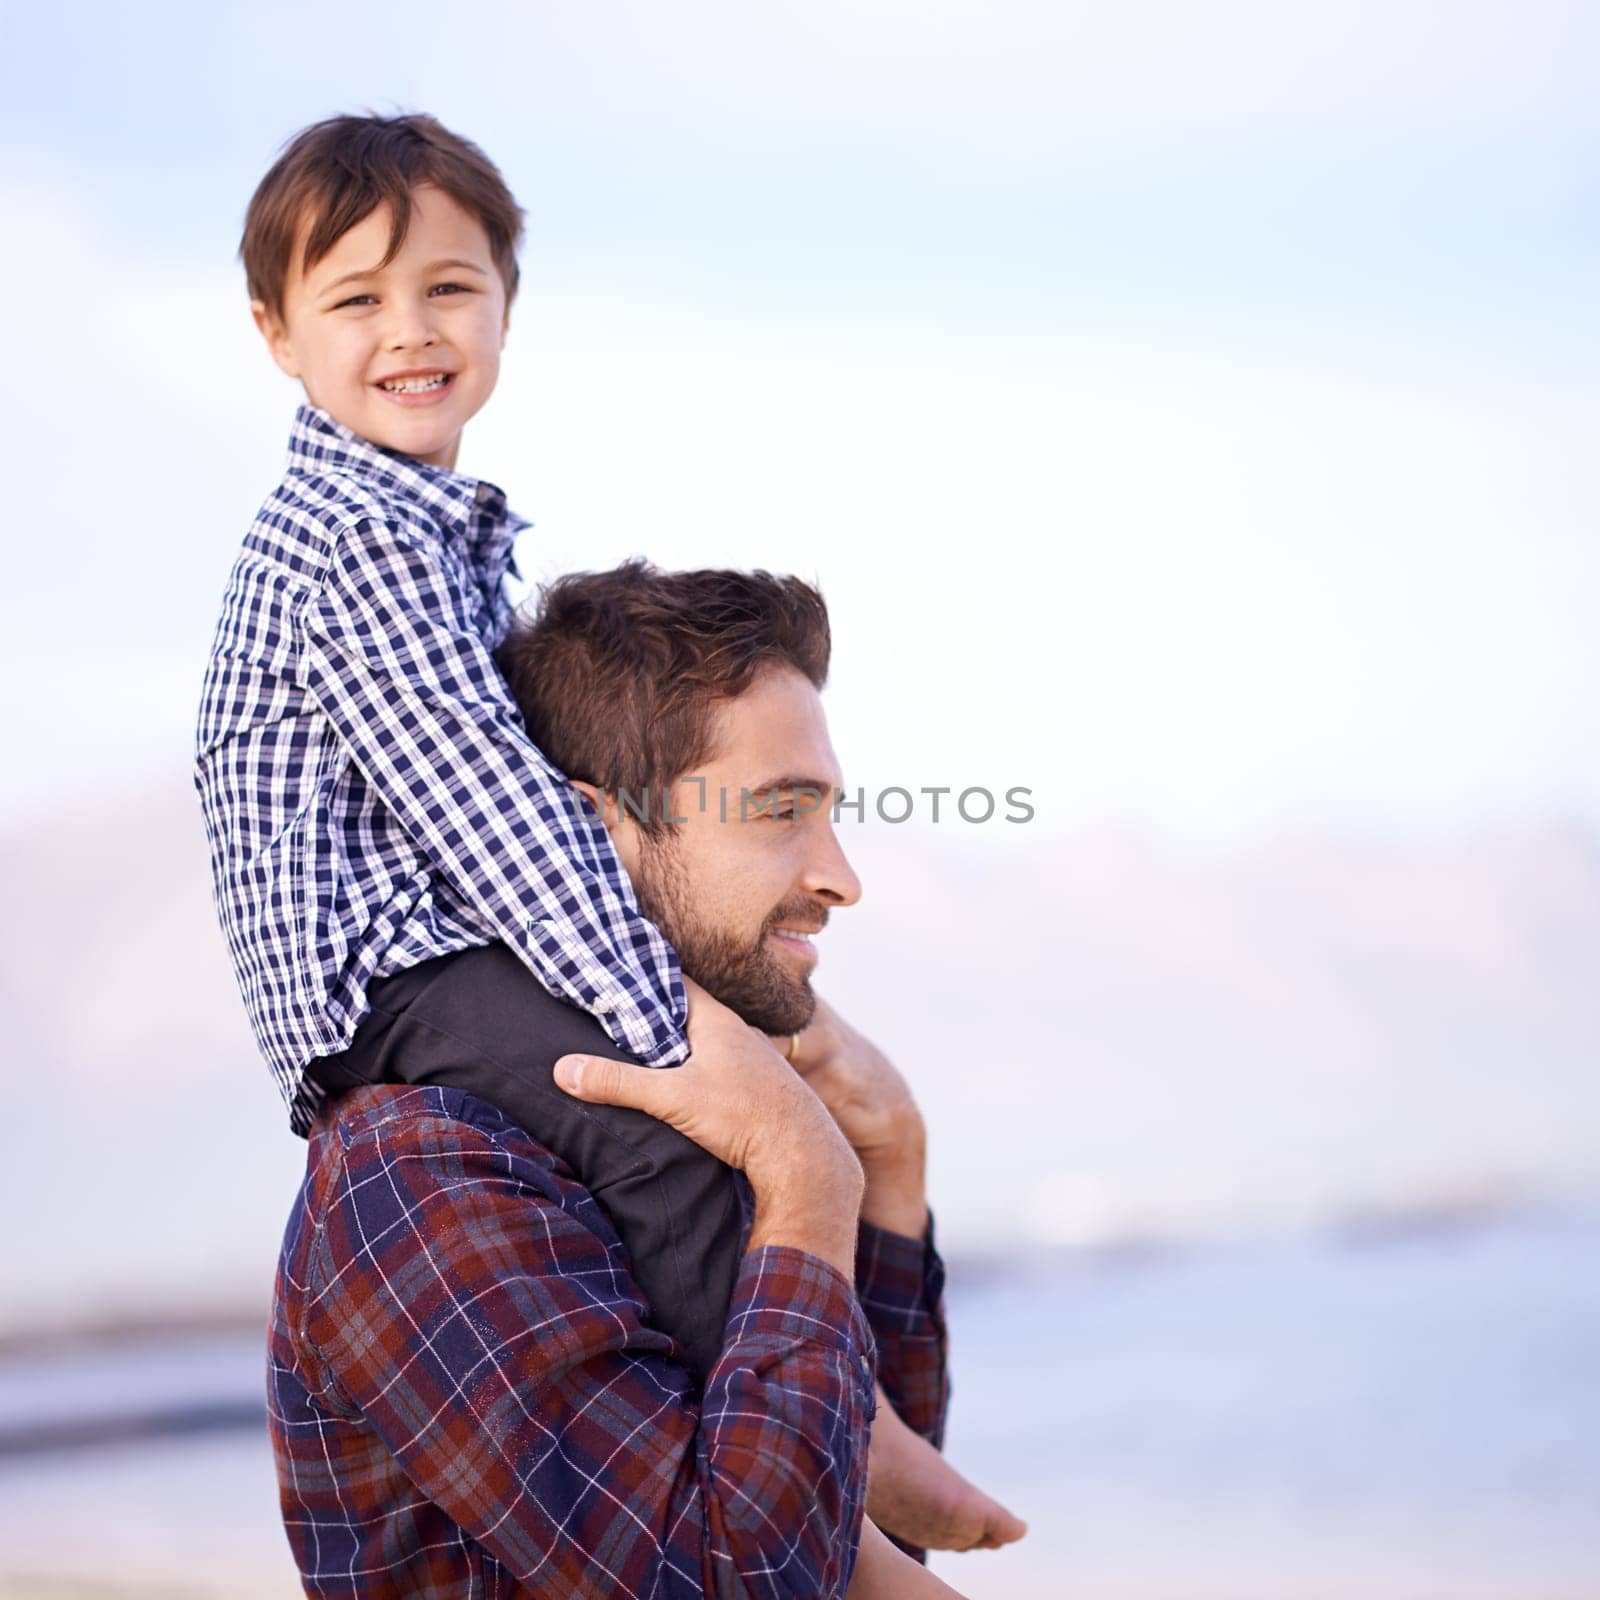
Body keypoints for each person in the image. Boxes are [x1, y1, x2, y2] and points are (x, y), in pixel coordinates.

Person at [269, 564, 1003, 1595]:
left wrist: (885, 1156)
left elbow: (855, 1531)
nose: (842, 875)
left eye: (831, 813)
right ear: (582, 831)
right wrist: (807, 1174)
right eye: (779, 812)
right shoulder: (425, 1175)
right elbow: (748, 1580)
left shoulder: (703, 1125)